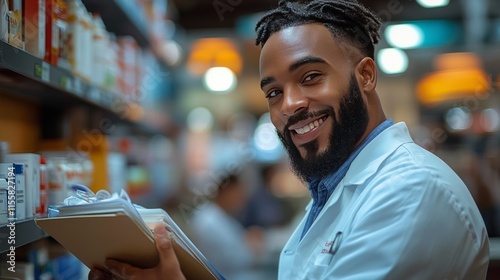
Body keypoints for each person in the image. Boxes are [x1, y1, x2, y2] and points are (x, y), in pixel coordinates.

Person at [88, 0, 490, 279]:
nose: (290, 105)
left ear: (366, 76)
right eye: (274, 92)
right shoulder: (334, 188)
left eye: (311, 77)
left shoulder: (411, 190)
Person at [187, 174, 266, 280]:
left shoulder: (220, 216)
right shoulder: (208, 222)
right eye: (238, 192)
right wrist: (252, 246)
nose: (243, 198)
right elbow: (238, 260)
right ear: (226, 191)